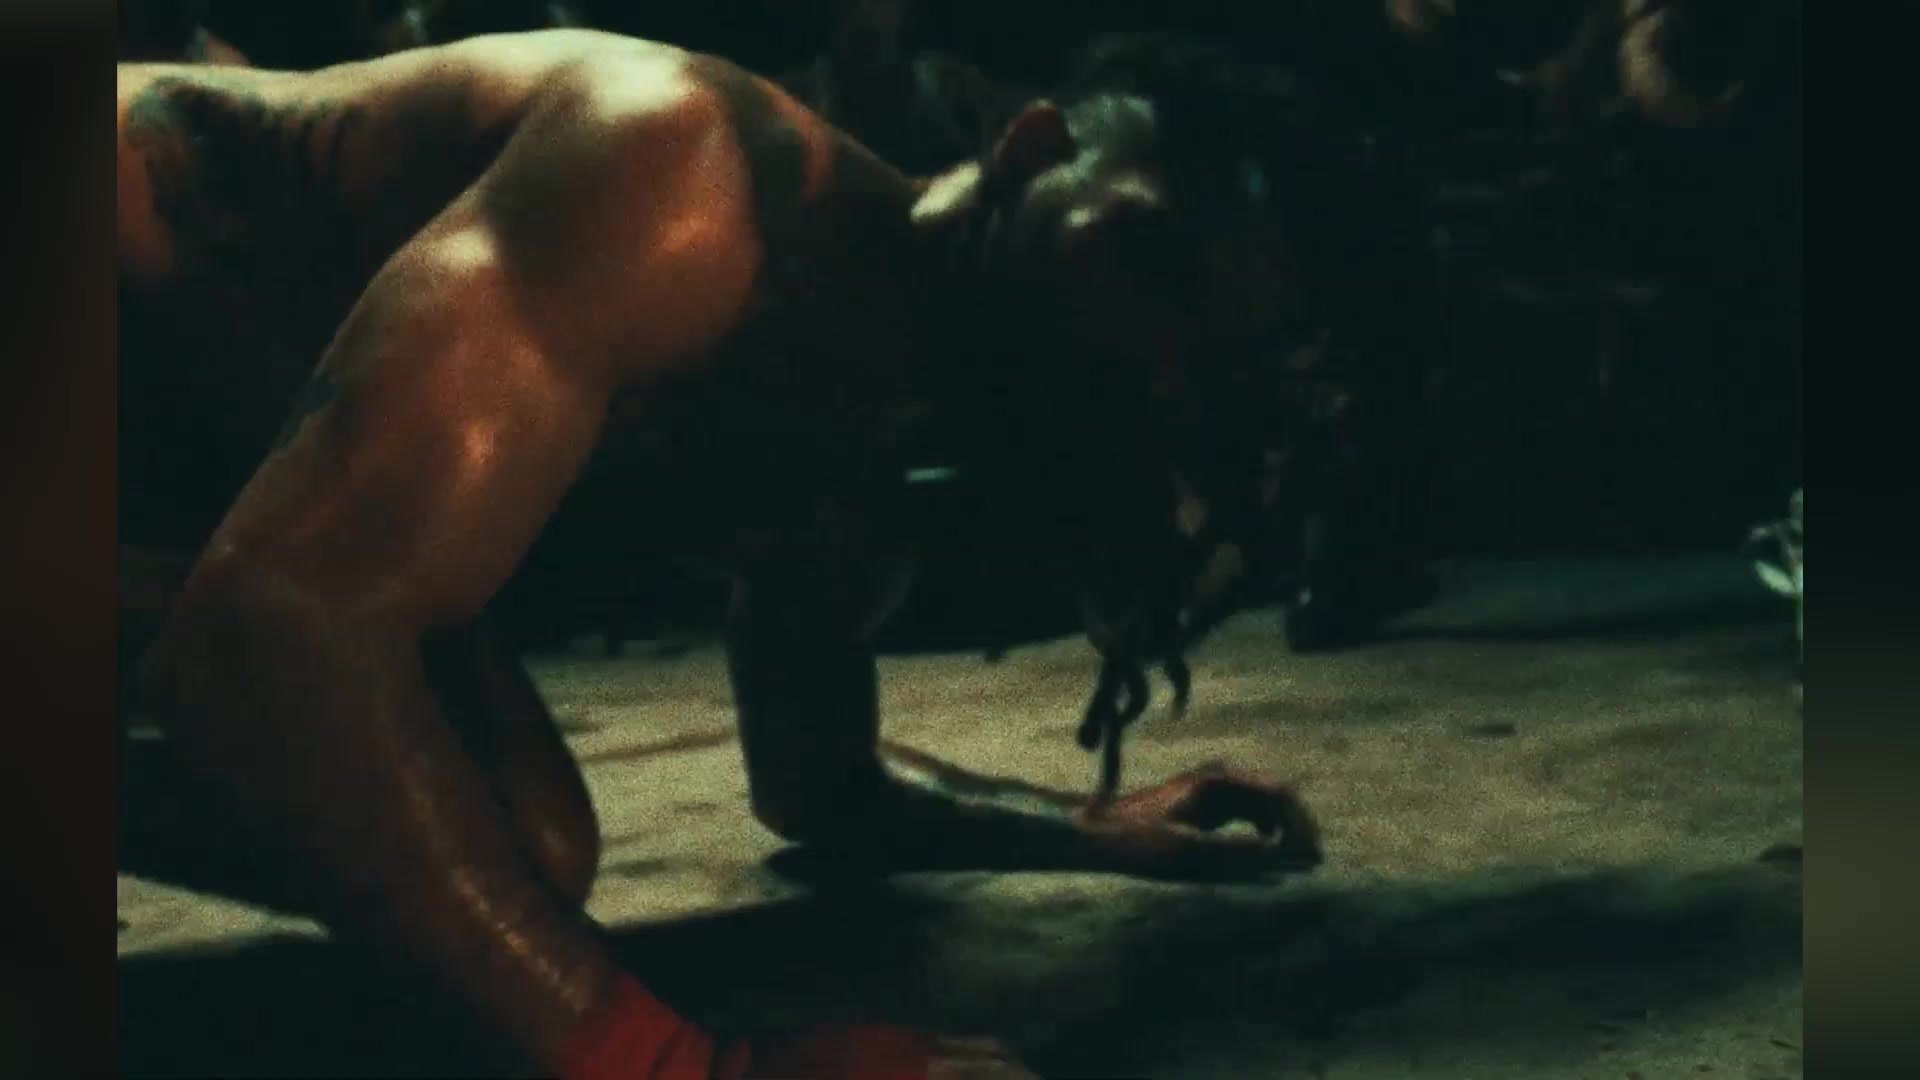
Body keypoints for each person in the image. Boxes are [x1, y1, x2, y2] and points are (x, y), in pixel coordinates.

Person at [119, 29, 1322, 1078]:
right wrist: (682, 1068)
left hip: (177, 455)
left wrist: (1074, 823)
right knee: (307, 668)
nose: (1157, 353)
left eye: (1208, 351)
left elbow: (819, 784)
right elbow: (269, 627)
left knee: (521, 837)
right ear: (1032, 150)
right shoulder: (682, 174)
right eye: (1156, 261)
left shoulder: (875, 430)